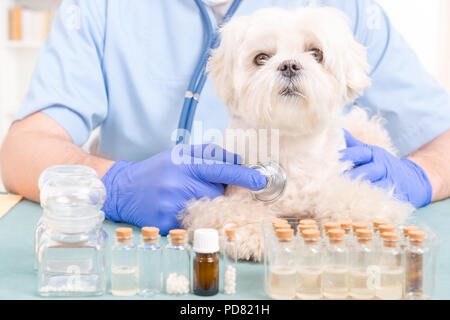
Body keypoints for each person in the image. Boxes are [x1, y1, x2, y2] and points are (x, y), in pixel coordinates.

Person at [0, 0, 449, 234]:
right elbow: (22, 150)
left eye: (311, 55)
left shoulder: (348, 10)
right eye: (263, 58)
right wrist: (115, 183)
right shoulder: (99, 7)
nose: (291, 66)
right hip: (155, 247)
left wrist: (421, 175)